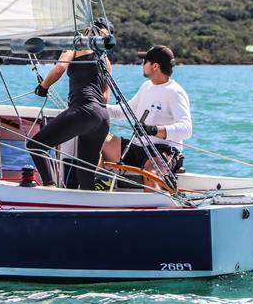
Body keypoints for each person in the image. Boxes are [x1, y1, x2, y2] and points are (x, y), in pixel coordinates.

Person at [27, 18, 114, 190]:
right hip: (103, 119)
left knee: (36, 145)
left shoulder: (78, 43)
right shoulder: (107, 62)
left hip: (84, 110)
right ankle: (88, 209)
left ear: (88, 30)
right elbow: (105, 97)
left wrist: (43, 87)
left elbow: (60, 68)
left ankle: (49, 187)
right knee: (85, 174)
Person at [99, 45, 192, 190]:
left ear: (155, 66)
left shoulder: (175, 92)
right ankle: (98, 186)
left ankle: (155, 209)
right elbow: (124, 111)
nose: (142, 65)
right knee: (98, 140)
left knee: (152, 174)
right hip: (137, 148)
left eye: (145, 61)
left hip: (162, 150)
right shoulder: (146, 87)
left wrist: (154, 130)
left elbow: (186, 129)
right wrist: (95, 108)